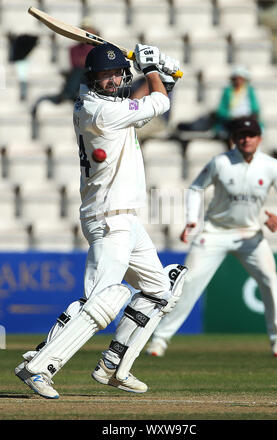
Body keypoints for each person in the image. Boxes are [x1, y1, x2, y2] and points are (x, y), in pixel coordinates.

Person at [15, 43, 187, 399]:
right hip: (109, 217)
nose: (111, 80)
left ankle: (114, 365)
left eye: (115, 74)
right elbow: (159, 102)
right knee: (103, 301)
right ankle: (40, 366)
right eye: (104, 75)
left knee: (159, 290)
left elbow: (152, 98)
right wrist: (153, 68)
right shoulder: (101, 113)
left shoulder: (105, 104)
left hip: (125, 216)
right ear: (91, 77)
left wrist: (162, 74)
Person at [146, 116, 277, 359]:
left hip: (250, 234)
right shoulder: (221, 163)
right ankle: (159, 340)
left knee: (270, 281)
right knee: (188, 284)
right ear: (233, 139)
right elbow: (196, 188)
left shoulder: (270, 165)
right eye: (241, 135)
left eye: (251, 135)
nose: (246, 139)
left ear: (259, 139)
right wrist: (192, 220)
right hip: (214, 232)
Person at [31, 19, 98, 139]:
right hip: (80, 79)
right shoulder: (74, 49)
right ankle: (70, 95)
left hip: (89, 80)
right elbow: (76, 64)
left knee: (81, 72)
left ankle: (69, 95)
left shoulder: (98, 49)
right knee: (79, 72)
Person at [176, 65, 261, 148]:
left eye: (241, 79)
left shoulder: (249, 91)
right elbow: (221, 110)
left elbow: (255, 109)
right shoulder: (228, 91)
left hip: (245, 120)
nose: (238, 81)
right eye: (236, 78)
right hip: (230, 122)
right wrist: (231, 116)